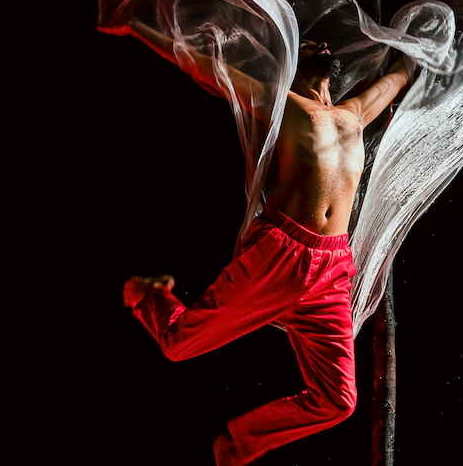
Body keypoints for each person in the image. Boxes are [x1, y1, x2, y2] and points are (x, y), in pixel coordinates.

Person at [123, 34, 412, 466]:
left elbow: (396, 79)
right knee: (179, 344)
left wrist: (428, 47)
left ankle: (238, 446)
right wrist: (145, 27)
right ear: (292, 64)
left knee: (339, 400)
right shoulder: (283, 104)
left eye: (325, 42)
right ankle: (146, 294)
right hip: (280, 255)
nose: (325, 46)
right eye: (312, 43)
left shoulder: (352, 114)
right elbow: (211, 68)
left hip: (332, 267)